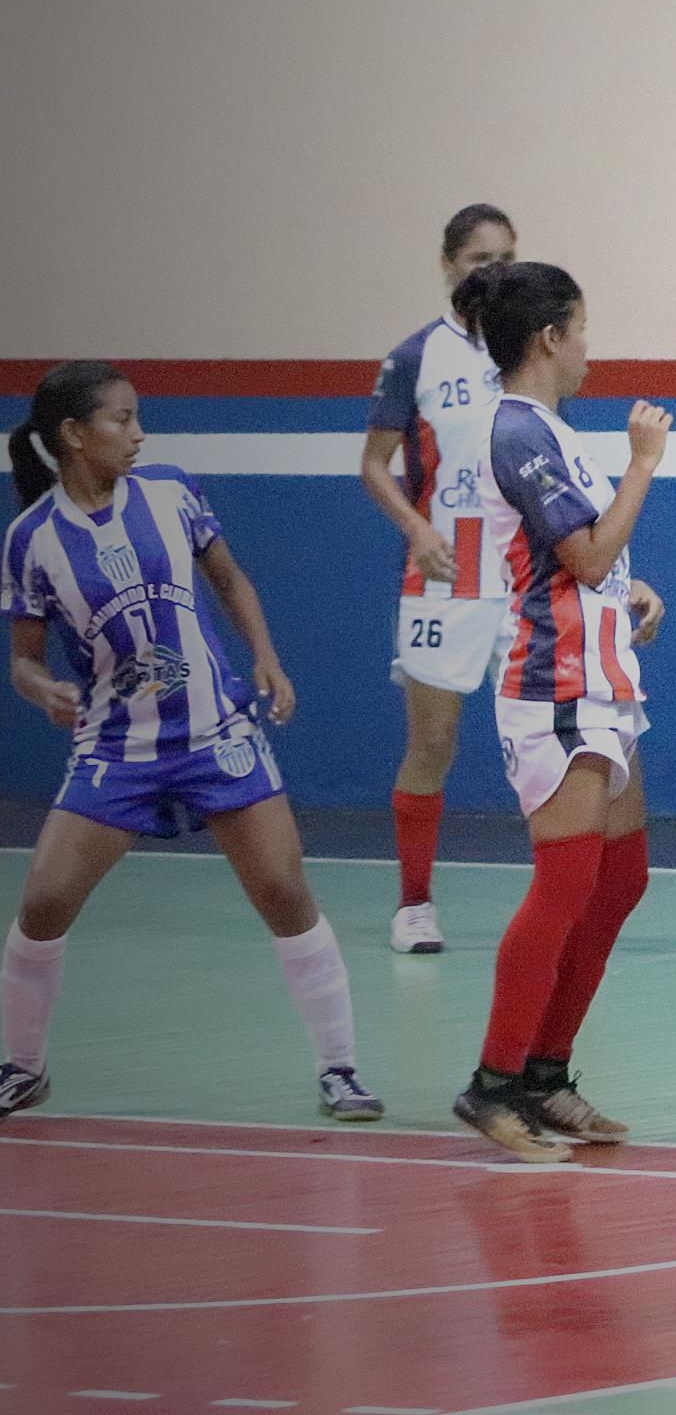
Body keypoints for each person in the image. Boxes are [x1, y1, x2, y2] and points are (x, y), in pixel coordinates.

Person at [1, 362, 382, 1122]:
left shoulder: (173, 492)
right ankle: (23, 1067)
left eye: (139, 418)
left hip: (215, 733)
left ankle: (340, 1068)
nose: (138, 434)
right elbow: (24, 658)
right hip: (116, 748)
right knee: (42, 903)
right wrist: (45, 691)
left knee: (283, 893)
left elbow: (230, 579)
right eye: (121, 420)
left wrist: (265, 657)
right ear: (74, 435)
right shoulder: (31, 540)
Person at [448, 262, 672, 1161]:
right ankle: (493, 1083)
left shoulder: (551, 432)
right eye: (581, 331)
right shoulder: (519, 432)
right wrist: (645, 465)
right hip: (555, 693)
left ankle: (548, 1075)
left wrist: (631, 588)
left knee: (620, 882)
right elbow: (581, 555)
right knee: (564, 887)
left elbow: (584, 561)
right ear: (549, 337)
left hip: (605, 688)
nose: (588, 351)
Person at [361, 202, 516, 954]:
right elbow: (374, 465)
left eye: (504, 258)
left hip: (520, 573)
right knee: (435, 740)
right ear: (449, 265)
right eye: (479, 258)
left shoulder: (527, 349)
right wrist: (416, 528)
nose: (492, 271)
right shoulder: (416, 357)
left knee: (547, 735)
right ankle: (414, 904)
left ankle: (569, 890)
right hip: (444, 575)